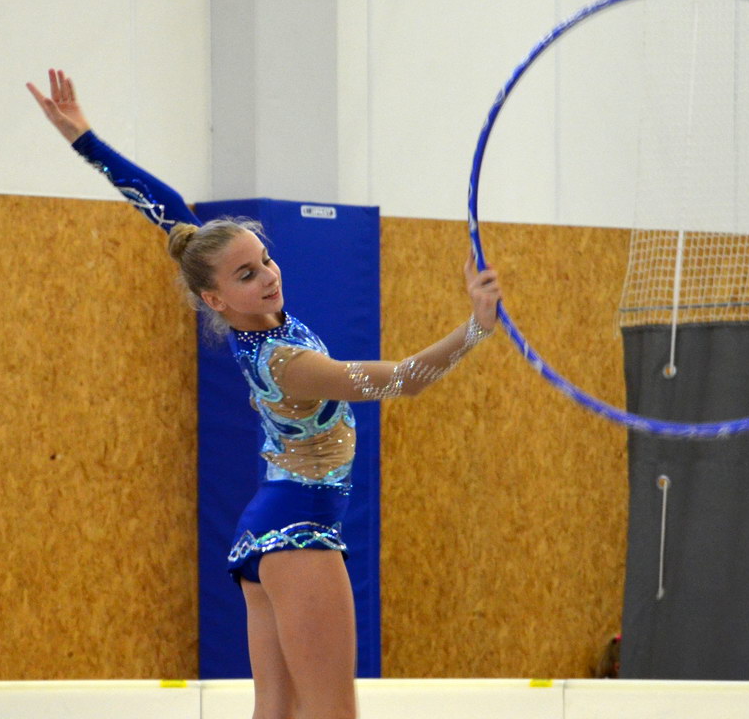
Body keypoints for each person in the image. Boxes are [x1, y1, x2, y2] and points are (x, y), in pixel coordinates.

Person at [28, 69, 501, 719]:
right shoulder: (287, 362)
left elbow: (163, 208)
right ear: (216, 299)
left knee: (275, 713)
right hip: (300, 532)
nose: (269, 277)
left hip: (269, 532)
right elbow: (402, 380)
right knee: (331, 712)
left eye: (266, 260)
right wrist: (476, 328)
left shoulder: (252, 316)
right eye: (247, 275)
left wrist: (83, 138)